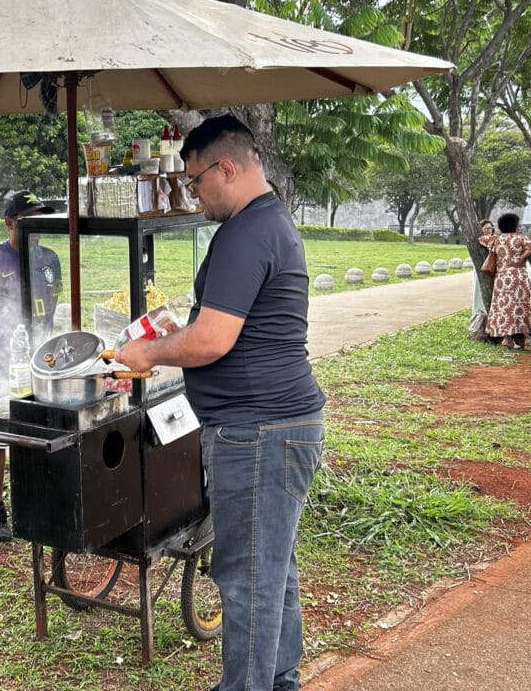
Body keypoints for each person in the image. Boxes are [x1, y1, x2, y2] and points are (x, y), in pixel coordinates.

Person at [116, 115, 326, 691]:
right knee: (271, 569)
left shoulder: (245, 233)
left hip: (257, 430)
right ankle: (278, 680)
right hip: (277, 424)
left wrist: (147, 352)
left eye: (194, 181)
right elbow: (224, 326)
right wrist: (168, 338)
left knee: (248, 577)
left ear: (226, 168)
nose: (193, 195)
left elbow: (212, 340)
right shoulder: (267, 221)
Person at [0, 190, 61, 540]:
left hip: (41, 363)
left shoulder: (50, 259)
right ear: (9, 222)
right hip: (0, 364)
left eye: (41, 219)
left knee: (39, 430)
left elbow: (50, 309)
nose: (37, 226)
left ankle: (35, 499)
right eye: (28, 219)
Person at [479, 212, 531, 349]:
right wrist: (522, 257)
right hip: (519, 275)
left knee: (505, 307)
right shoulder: (520, 238)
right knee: (524, 305)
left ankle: (507, 339)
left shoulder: (497, 240)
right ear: (516, 226)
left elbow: (481, 239)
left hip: (502, 277)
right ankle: (527, 338)